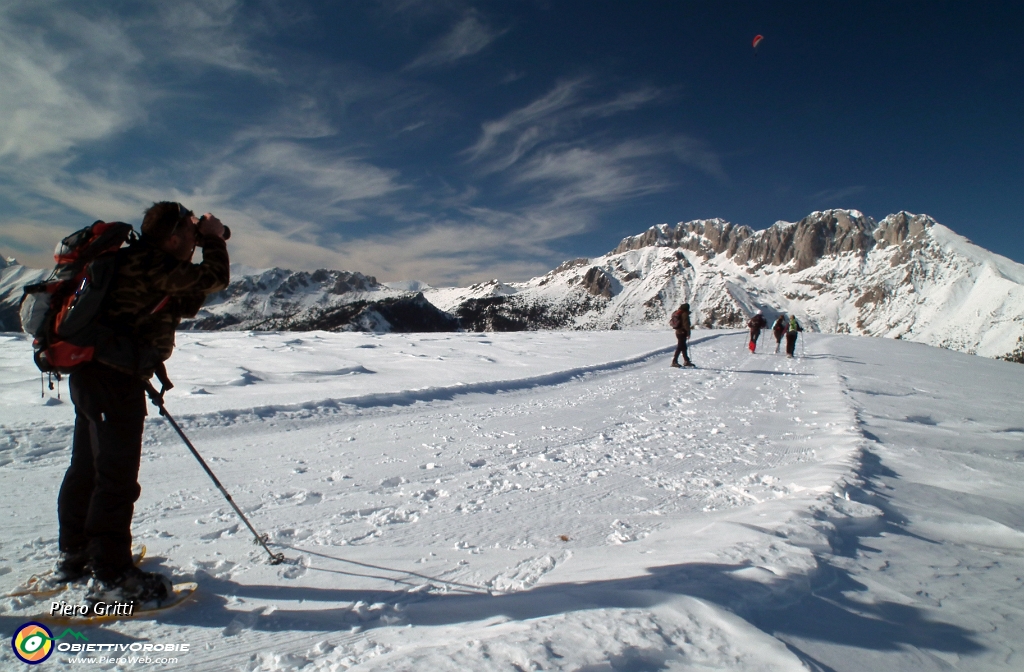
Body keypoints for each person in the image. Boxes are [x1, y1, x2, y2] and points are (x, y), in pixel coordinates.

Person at [55, 201, 229, 606]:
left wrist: (199, 244)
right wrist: (215, 241)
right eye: (188, 234)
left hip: (96, 377)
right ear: (171, 238)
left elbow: (185, 300)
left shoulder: (138, 263)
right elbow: (214, 278)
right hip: (112, 382)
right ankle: (111, 575)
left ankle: (77, 555)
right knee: (115, 478)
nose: (193, 239)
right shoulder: (152, 263)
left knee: (88, 468)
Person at [669, 302, 694, 368]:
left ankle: (686, 360)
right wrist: (688, 333)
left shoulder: (677, 313)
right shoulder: (684, 314)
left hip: (678, 332)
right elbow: (686, 325)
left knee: (683, 347)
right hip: (682, 332)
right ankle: (674, 361)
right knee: (680, 347)